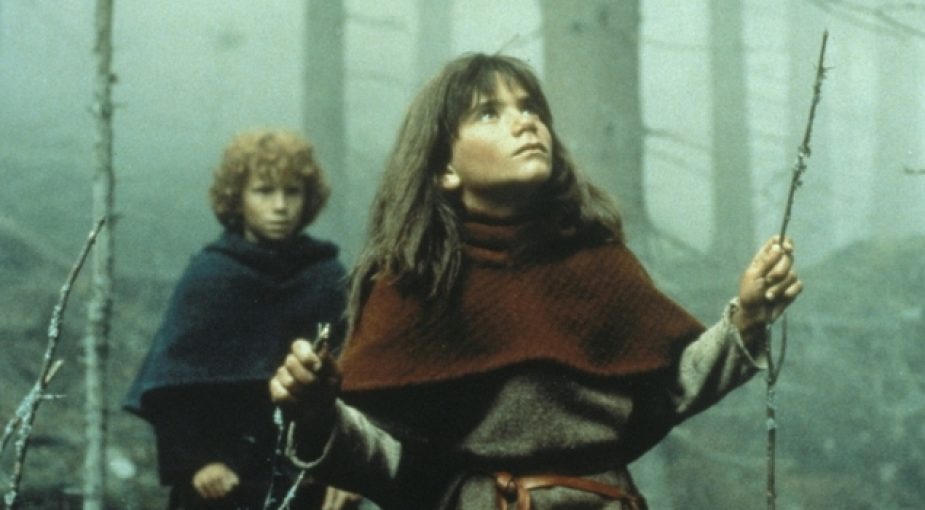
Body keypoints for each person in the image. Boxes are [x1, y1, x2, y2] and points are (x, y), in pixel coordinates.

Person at [269, 54, 803, 510]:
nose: (525, 123)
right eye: (489, 112)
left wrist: (747, 318)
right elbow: (386, 459)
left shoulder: (597, 262)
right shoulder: (413, 285)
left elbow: (669, 391)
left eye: (530, 108)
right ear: (445, 170)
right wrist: (316, 415)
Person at [124, 129, 352, 509]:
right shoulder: (211, 275)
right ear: (237, 197)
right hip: (220, 483)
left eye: (292, 192)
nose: (280, 206)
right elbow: (171, 390)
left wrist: (347, 469)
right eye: (264, 191)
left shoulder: (327, 276)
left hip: (307, 478)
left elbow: (354, 385)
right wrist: (198, 463)